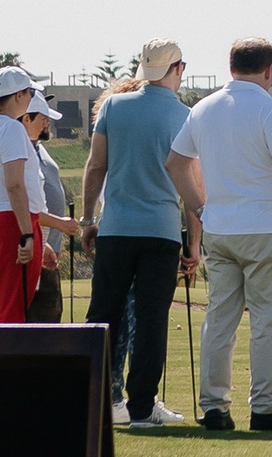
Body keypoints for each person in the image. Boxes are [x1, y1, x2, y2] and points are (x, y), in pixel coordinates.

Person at [168, 37, 272, 432]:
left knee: (219, 319)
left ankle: (213, 407)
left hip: (219, 229)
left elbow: (175, 164)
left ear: (231, 66)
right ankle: (266, 406)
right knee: (269, 321)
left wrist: (201, 207)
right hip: (266, 229)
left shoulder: (202, 109)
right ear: (269, 70)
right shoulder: (270, 109)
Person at [81, 38, 192, 429]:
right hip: (161, 232)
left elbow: (96, 167)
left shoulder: (112, 105)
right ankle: (142, 407)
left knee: (102, 316)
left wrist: (86, 220)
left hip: (115, 229)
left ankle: (95, 401)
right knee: (151, 321)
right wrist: (194, 243)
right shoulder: (185, 116)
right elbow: (191, 184)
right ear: (176, 69)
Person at [0, 69, 76, 323]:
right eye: (29, 92)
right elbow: (15, 185)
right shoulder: (11, 129)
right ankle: (5, 363)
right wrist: (28, 233)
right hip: (10, 225)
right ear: (17, 96)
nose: (31, 97)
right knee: (9, 309)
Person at [22, 92, 69, 324]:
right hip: (34, 250)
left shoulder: (38, 147)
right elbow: (24, 204)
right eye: (43, 116)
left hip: (48, 253)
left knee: (51, 320)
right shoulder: (21, 149)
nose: (48, 121)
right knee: (39, 324)